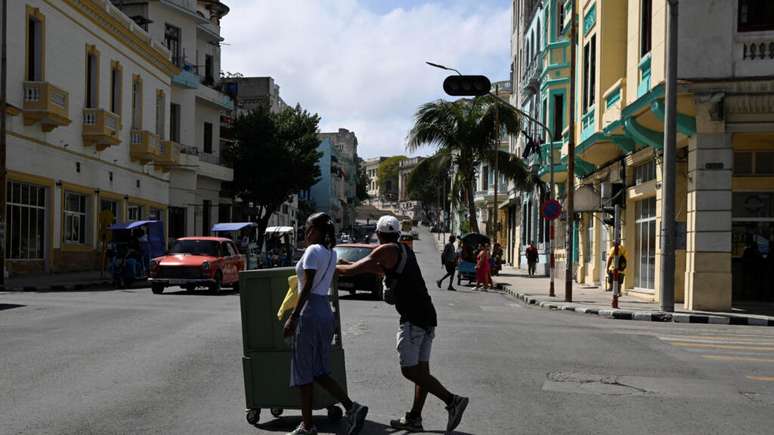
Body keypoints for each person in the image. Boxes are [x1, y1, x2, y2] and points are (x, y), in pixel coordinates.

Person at [336, 216, 469, 433]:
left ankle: (452, 400)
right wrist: (346, 264)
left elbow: (355, 269)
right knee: (422, 372)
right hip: (427, 315)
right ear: (397, 233)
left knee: (409, 370)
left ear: (379, 234)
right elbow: (374, 268)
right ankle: (415, 418)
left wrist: (329, 268)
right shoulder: (403, 250)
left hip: (413, 318)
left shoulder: (385, 249)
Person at [282, 212, 368, 435]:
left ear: (315, 230)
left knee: (303, 373)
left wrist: (293, 317)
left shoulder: (312, 251)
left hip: (309, 312)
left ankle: (307, 425)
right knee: (319, 370)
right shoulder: (331, 253)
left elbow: (307, 285)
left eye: (308, 228)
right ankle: (352, 407)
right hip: (324, 312)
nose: (306, 232)